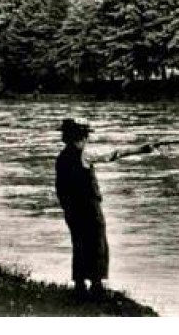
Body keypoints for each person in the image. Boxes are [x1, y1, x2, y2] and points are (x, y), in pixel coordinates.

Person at [55, 118, 109, 299]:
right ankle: (96, 284)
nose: (87, 139)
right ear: (81, 137)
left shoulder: (61, 158)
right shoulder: (84, 155)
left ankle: (79, 284)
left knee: (79, 243)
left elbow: (60, 188)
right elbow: (111, 155)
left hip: (71, 208)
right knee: (97, 241)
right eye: (85, 135)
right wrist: (142, 149)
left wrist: (66, 207)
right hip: (89, 206)